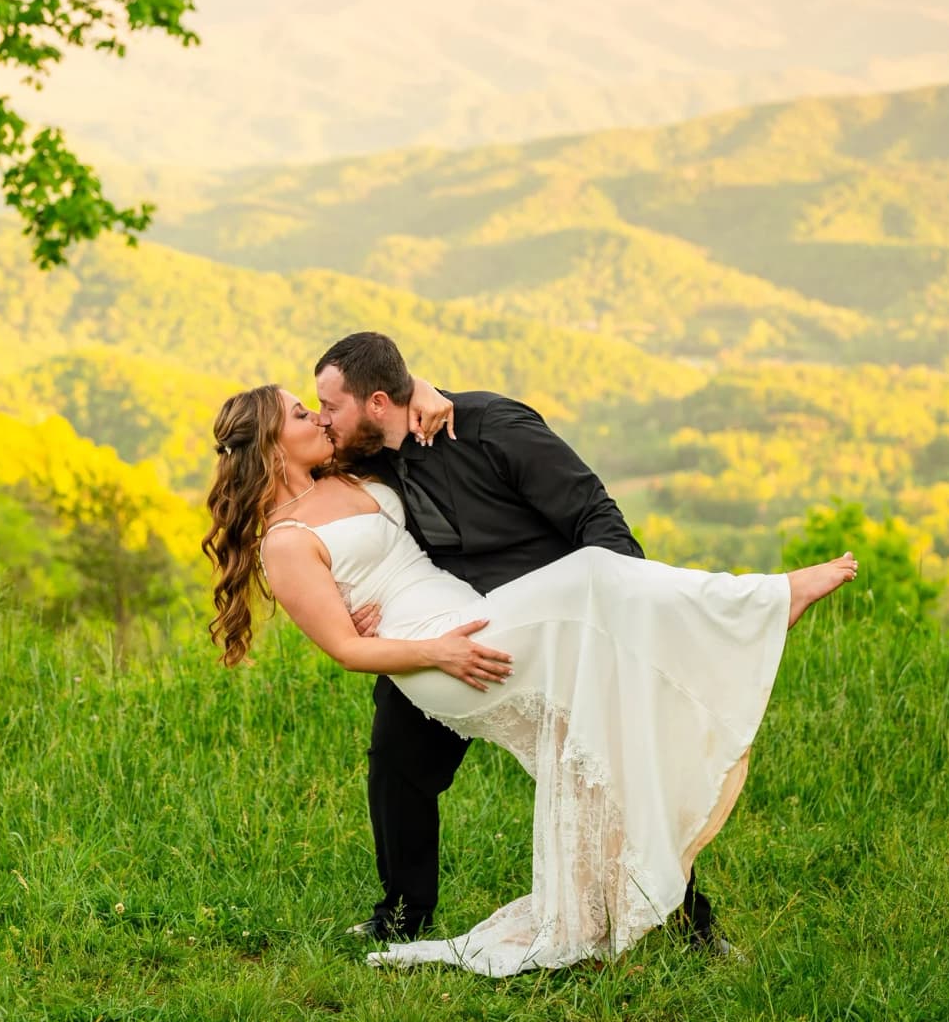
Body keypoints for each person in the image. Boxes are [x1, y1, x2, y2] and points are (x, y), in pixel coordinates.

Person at [201, 377, 856, 976]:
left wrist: (425, 386)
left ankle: (672, 920)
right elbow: (345, 648)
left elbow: (385, 410)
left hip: (471, 617)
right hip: (442, 654)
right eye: (298, 412)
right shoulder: (285, 541)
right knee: (591, 577)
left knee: (600, 754)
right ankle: (766, 602)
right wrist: (434, 653)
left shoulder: (345, 471)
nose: (316, 416)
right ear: (269, 440)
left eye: (315, 405)